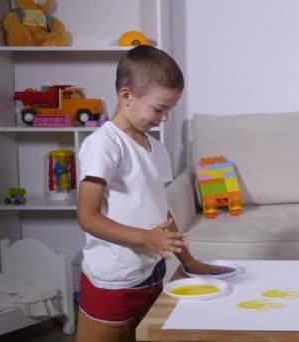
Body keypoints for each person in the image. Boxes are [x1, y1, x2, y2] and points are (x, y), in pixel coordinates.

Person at [75, 45, 230, 342]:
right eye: (159, 109)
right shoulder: (104, 145)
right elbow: (87, 216)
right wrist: (147, 238)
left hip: (150, 273)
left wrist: (189, 261)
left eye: (169, 110)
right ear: (127, 96)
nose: (163, 118)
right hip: (113, 280)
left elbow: (162, 212)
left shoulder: (155, 148)